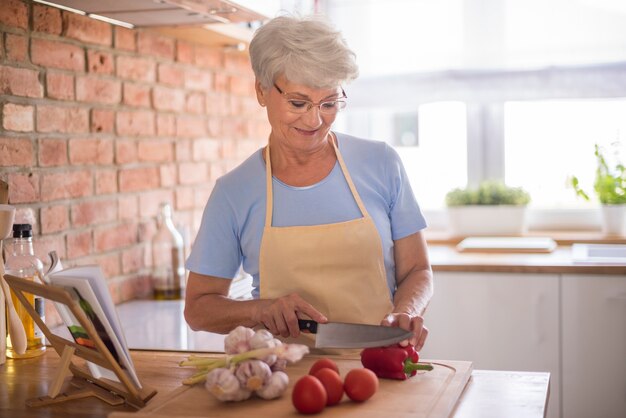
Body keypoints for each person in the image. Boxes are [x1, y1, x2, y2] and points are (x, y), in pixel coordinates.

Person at [184, 15, 433, 351]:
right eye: (298, 103)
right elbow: (199, 309)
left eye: (329, 103)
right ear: (261, 90)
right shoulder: (234, 192)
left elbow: (417, 269)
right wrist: (262, 310)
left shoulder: (382, 163)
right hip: (286, 383)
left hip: (381, 366)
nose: (315, 120)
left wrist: (405, 312)